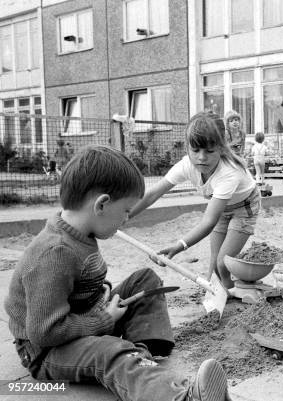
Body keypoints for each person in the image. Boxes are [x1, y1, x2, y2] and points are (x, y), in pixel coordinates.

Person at [3, 145, 230, 401]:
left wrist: (104, 293)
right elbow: (45, 332)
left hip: (82, 316)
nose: (126, 220)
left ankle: (143, 353)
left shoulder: (81, 233)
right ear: (102, 204)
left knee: (146, 279)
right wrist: (104, 320)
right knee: (109, 352)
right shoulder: (54, 253)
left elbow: (81, 281)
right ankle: (177, 395)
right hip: (47, 350)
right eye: (125, 211)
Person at [129, 112, 259, 290]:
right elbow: (153, 193)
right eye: (195, 150)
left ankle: (232, 297)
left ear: (221, 149)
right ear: (188, 148)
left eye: (209, 151)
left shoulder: (229, 172)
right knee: (214, 267)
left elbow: (208, 222)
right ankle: (221, 294)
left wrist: (179, 246)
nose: (202, 157)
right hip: (221, 205)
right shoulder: (186, 165)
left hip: (244, 207)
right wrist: (125, 215)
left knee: (223, 264)